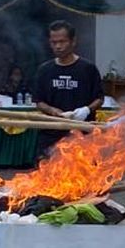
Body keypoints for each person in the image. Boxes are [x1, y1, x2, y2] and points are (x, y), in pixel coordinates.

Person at [33, 20, 104, 160]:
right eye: (54, 42)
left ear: (73, 41)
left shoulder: (88, 68)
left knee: (83, 177)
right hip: (51, 135)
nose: (58, 46)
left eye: (62, 41)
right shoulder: (44, 70)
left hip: (82, 134)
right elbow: (38, 101)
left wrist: (86, 110)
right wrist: (54, 111)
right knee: (47, 177)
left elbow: (99, 98)